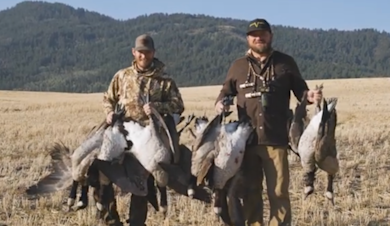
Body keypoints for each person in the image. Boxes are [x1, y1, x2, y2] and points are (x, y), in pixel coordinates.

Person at [214, 19, 322, 226]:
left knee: (279, 191)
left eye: (263, 34)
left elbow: (301, 91)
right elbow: (224, 94)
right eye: (254, 35)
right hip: (246, 141)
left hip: (277, 139)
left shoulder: (285, 62)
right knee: (251, 191)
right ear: (248, 39)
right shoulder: (238, 66)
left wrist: (310, 95)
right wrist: (221, 105)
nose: (259, 38)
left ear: (270, 36)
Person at [101, 34, 185, 226]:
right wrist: (109, 113)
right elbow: (108, 98)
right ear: (134, 52)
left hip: (148, 136)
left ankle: (136, 223)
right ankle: (110, 218)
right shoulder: (122, 76)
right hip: (121, 132)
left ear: (153, 53)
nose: (143, 56)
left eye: (147, 52)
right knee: (102, 171)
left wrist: (157, 107)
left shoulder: (164, 80)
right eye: (140, 52)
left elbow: (178, 105)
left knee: (141, 182)